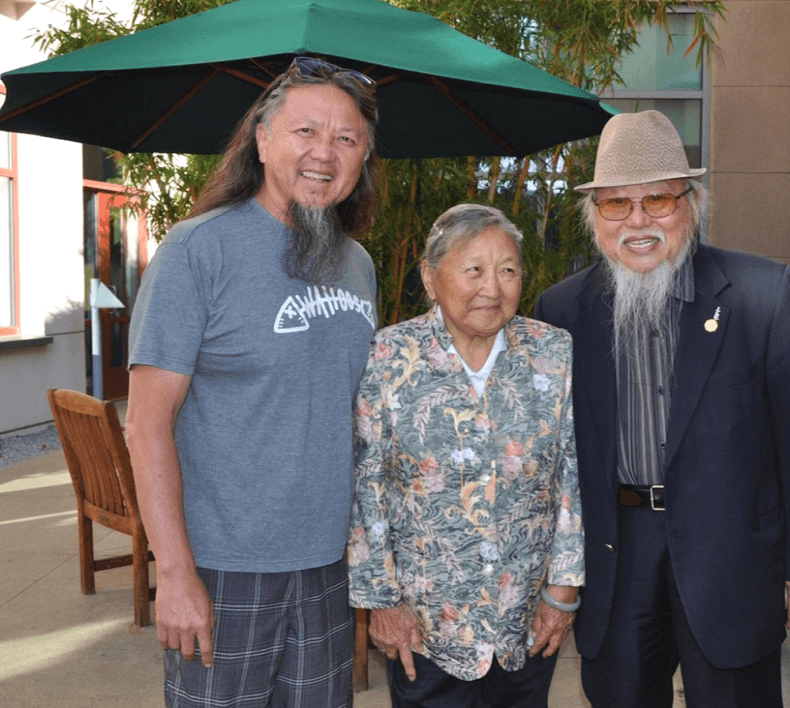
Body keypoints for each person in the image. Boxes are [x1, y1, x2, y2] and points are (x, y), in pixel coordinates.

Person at [533, 110, 790, 708]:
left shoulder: (763, 295)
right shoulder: (560, 311)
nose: (638, 220)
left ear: (692, 205)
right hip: (615, 554)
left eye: (659, 199)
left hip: (730, 555)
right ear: (594, 216)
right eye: (617, 204)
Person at [125, 57, 379, 708]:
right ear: (263, 140)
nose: (325, 153)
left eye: (346, 139)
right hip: (222, 570)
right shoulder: (196, 252)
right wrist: (174, 574)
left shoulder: (357, 266)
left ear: (364, 158)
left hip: (327, 567)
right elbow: (147, 422)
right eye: (305, 132)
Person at [347, 204, 584, 708]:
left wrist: (563, 591)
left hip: (524, 621)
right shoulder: (390, 357)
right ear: (431, 279)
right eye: (473, 269)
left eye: (508, 270)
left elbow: (573, 478)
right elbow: (366, 487)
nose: (492, 288)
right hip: (425, 627)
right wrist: (383, 604)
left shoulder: (552, 352)